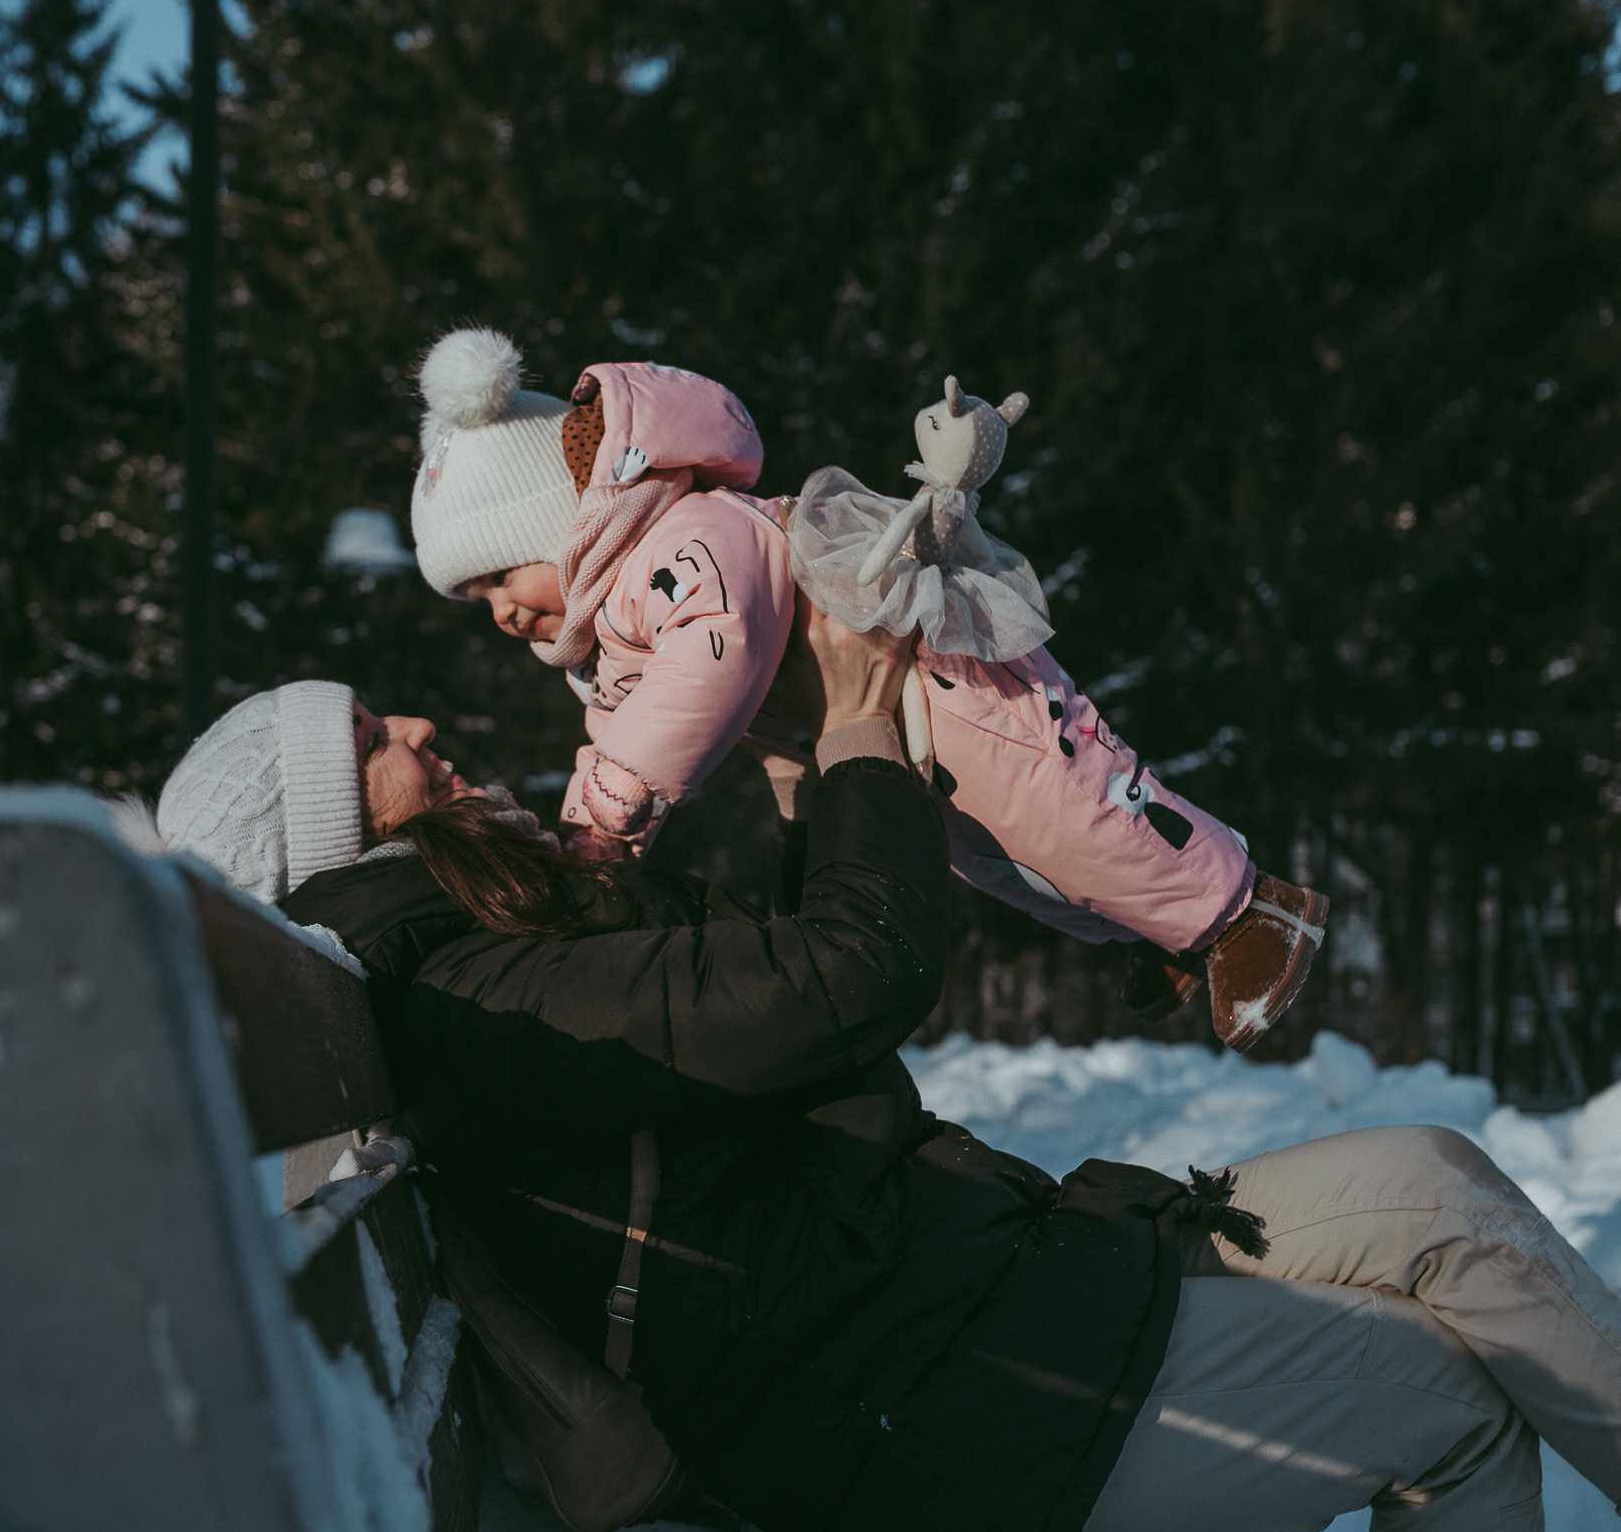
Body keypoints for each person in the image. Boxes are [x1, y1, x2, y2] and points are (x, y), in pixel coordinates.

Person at [154, 643, 1621, 1532]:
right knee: (1452, 1413)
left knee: (1429, 1179)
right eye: (366, 739)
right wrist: (857, 728)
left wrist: (815, 761)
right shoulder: (477, 1007)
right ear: (325, 833)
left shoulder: (481, 974)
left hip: (941, 1303)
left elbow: (771, 1006)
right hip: (927, 1396)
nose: (414, 723)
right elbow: (852, 972)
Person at [404, 325, 1323, 1045]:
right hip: (890, 728)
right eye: (473, 599)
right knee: (999, 857)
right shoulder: (613, 627)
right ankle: (1155, 933)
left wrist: (615, 803)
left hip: (943, 684)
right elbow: (619, 736)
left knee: (1067, 806)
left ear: (564, 524)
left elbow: (711, 657)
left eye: (499, 577)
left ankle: (1248, 915)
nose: (497, 613)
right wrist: (590, 847)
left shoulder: (686, 537)